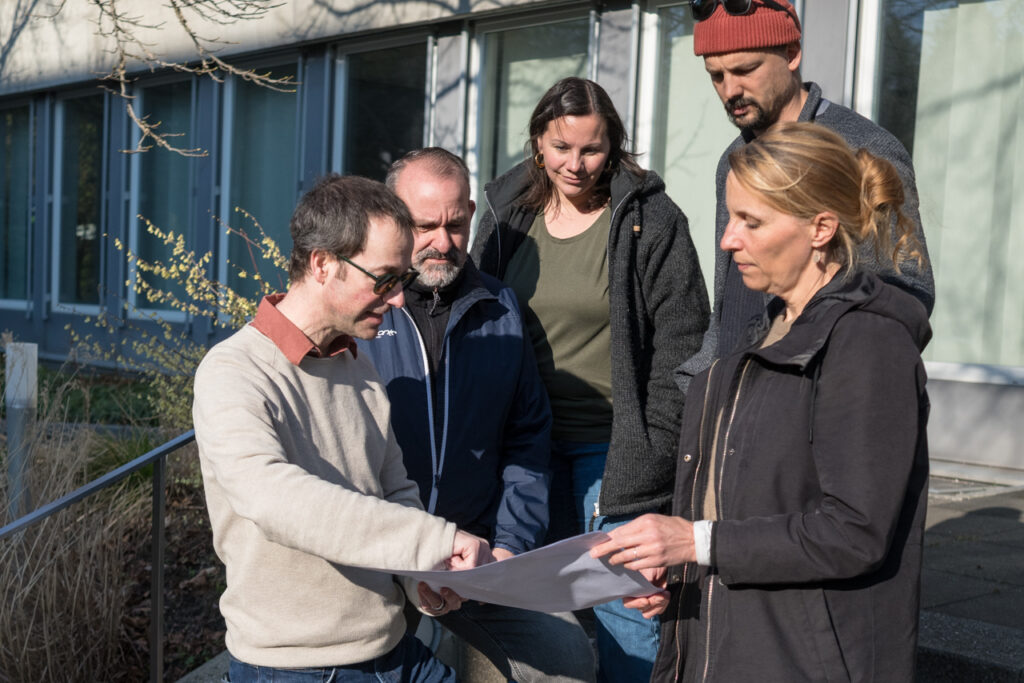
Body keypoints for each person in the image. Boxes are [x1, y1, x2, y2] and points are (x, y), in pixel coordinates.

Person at [591, 122, 931, 682]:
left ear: (820, 228)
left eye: (751, 221)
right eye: (730, 218)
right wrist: (681, 572)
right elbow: (745, 510)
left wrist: (693, 540)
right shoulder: (757, 336)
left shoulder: (867, 343)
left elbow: (854, 532)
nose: (727, 240)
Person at [192, 174, 493, 682]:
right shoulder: (234, 371)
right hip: (296, 667)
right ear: (322, 264)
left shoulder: (358, 367)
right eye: (384, 279)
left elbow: (394, 489)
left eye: (402, 280)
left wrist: (417, 575)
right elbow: (273, 498)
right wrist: (430, 541)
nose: (399, 299)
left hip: (395, 651)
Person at [471, 77, 710, 682]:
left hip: (614, 453)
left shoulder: (650, 221)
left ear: (615, 147)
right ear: (537, 143)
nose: (575, 165)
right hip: (524, 453)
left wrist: (651, 455)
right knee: (540, 623)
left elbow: (682, 348)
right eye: (560, 147)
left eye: (592, 150)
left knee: (626, 619)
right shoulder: (506, 217)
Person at [361, 147, 596, 682]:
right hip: (374, 558)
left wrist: (509, 548)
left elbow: (527, 441)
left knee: (566, 660)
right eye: (425, 226)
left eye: (456, 225)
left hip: (476, 559)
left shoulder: (501, 309)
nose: (443, 243)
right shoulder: (361, 309)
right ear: (393, 219)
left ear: (471, 214)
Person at [677, 0, 935, 391]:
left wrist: (823, 386)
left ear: (792, 54)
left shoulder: (859, 147)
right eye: (717, 76)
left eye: (746, 69)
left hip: (813, 403)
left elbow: (907, 298)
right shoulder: (732, 163)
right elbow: (730, 304)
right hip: (733, 405)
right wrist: (700, 384)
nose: (731, 90)